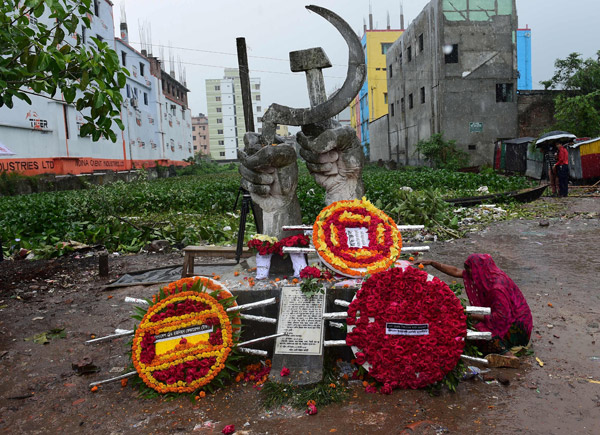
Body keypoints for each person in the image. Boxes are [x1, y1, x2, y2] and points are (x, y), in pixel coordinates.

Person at [417, 254, 533, 367]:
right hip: (513, 320)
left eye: (470, 270)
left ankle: (508, 355)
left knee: (477, 329)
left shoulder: (497, 288)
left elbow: (500, 318)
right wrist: (433, 263)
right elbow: (456, 271)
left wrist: (470, 315)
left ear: (479, 269)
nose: (468, 274)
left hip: (517, 328)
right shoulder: (488, 275)